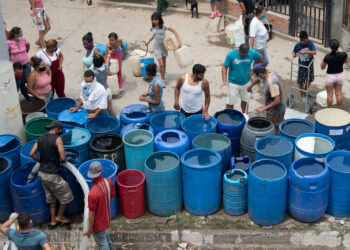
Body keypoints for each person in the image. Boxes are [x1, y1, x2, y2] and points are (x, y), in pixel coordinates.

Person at [29, 121, 73, 230]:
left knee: (51, 199)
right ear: (57, 129)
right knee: (67, 195)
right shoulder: (58, 139)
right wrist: (63, 161)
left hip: (42, 174)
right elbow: (62, 157)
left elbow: (31, 153)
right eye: (60, 129)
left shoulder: (40, 139)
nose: (61, 131)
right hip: (52, 175)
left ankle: (53, 222)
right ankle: (59, 217)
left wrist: (40, 161)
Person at [221, 43, 262, 113]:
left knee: (245, 100)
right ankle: (229, 116)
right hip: (233, 83)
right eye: (243, 54)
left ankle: (244, 114)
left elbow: (260, 57)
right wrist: (224, 80)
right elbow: (224, 67)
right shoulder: (231, 54)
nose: (245, 55)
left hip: (246, 82)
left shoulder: (252, 52)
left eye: (246, 54)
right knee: (230, 102)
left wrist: (254, 70)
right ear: (239, 51)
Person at [83, 161, 115, 250]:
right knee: (107, 240)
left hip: (97, 224)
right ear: (102, 171)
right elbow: (111, 197)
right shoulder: (108, 182)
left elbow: (91, 214)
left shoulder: (93, 193)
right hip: (106, 219)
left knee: (103, 244)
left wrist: (89, 229)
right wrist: (90, 201)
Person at [145, 12, 181, 88]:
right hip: (156, 48)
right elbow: (154, 35)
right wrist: (148, 41)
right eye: (153, 20)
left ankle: (163, 77)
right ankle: (163, 80)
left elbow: (174, 31)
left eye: (156, 20)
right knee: (161, 64)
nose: (154, 21)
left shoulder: (164, 26)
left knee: (164, 63)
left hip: (164, 47)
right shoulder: (152, 28)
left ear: (159, 19)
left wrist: (178, 41)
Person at [247, 64, 286, 133]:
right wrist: (250, 86)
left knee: (274, 131)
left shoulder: (272, 82)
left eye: (255, 75)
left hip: (276, 113)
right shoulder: (266, 74)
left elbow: (277, 100)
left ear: (260, 74)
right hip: (270, 110)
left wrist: (263, 109)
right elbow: (258, 80)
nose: (254, 77)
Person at [321, 39, 348, 109]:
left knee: (330, 95)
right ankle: (338, 110)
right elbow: (345, 61)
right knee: (338, 94)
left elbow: (322, 67)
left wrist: (322, 60)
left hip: (330, 77)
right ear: (338, 46)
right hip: (340, 76)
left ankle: (329, 110)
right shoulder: (343, 55)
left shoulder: (327, 57)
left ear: (330, 47)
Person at [293, 30, 316, 103]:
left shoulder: (310, 43)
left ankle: (306, 91)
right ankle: (302, 95)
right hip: (302, 66)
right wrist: (296, 55)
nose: (303, 42)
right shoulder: (298, 45)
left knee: (309, 79)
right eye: (301, 40)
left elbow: (315, 52)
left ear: (307, 38)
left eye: (304, 40)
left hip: (310, 65)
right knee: (301, 81)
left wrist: (306, 52)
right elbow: (293, 54)